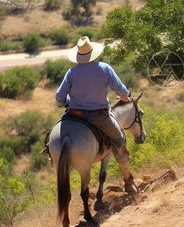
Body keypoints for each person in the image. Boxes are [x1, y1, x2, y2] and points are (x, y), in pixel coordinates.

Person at [56, 36, 137, 193]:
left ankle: (51, 154)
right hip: (99, 116)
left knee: (56, 134)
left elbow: (59, 96)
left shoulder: (71, 72)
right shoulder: (104, 68)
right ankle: (128, 180)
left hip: (74, 115)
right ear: (93, 52)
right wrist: (124, 97)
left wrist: (65, 103)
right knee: (119, 139)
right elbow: (122, 91)